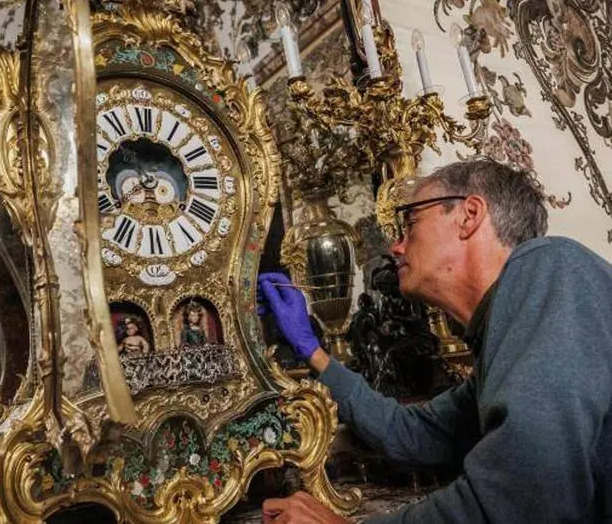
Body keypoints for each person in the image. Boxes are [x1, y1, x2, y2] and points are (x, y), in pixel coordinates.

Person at [257, 158, 612, 523]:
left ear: (469, 215)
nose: (396, 246)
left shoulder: (552, 268)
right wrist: (312, 350)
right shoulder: (510, 330)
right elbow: (412, 435)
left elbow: (524, 496)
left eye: (410, 222)